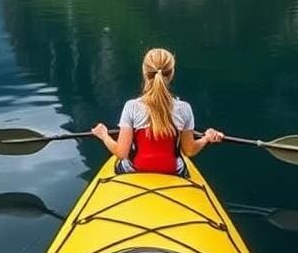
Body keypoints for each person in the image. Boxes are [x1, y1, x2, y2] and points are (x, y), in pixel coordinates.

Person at [91, 47, 224, 175]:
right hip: (173, 171)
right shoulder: (184, 108)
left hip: (135, 169)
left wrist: (104, 135)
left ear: (144, 72)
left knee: (122, 162)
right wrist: (206, 137)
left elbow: (121, 153)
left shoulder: (131, 106)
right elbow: (189, 150)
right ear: (171, 74)